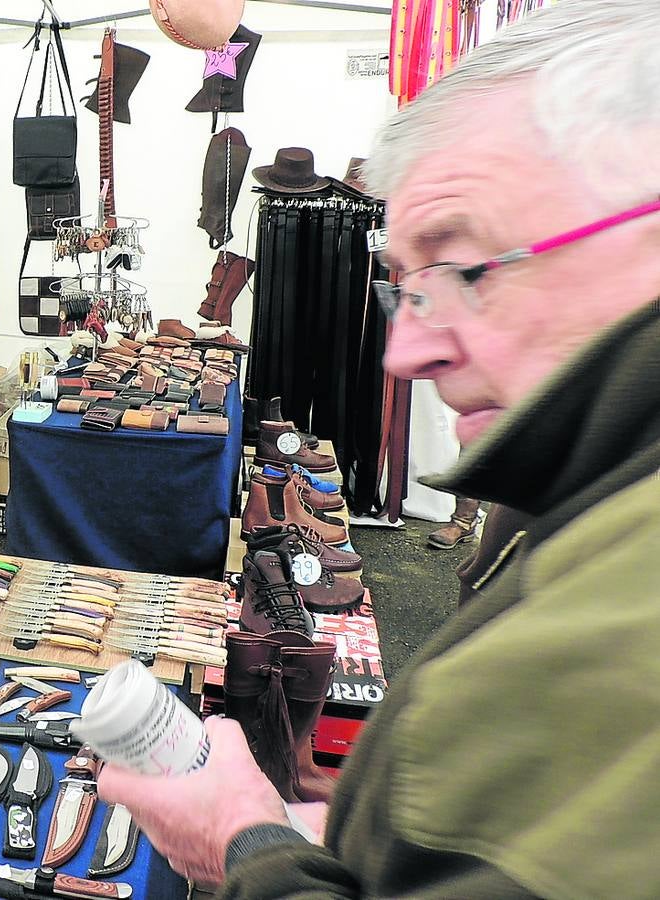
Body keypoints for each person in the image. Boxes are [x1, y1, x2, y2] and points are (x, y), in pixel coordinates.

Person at [99, 2, 660, 895]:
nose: (404, 352)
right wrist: (363, 841)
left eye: (466, 265)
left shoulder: (634, 596)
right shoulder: (587, 514)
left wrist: (248, 845)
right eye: (408, 282)